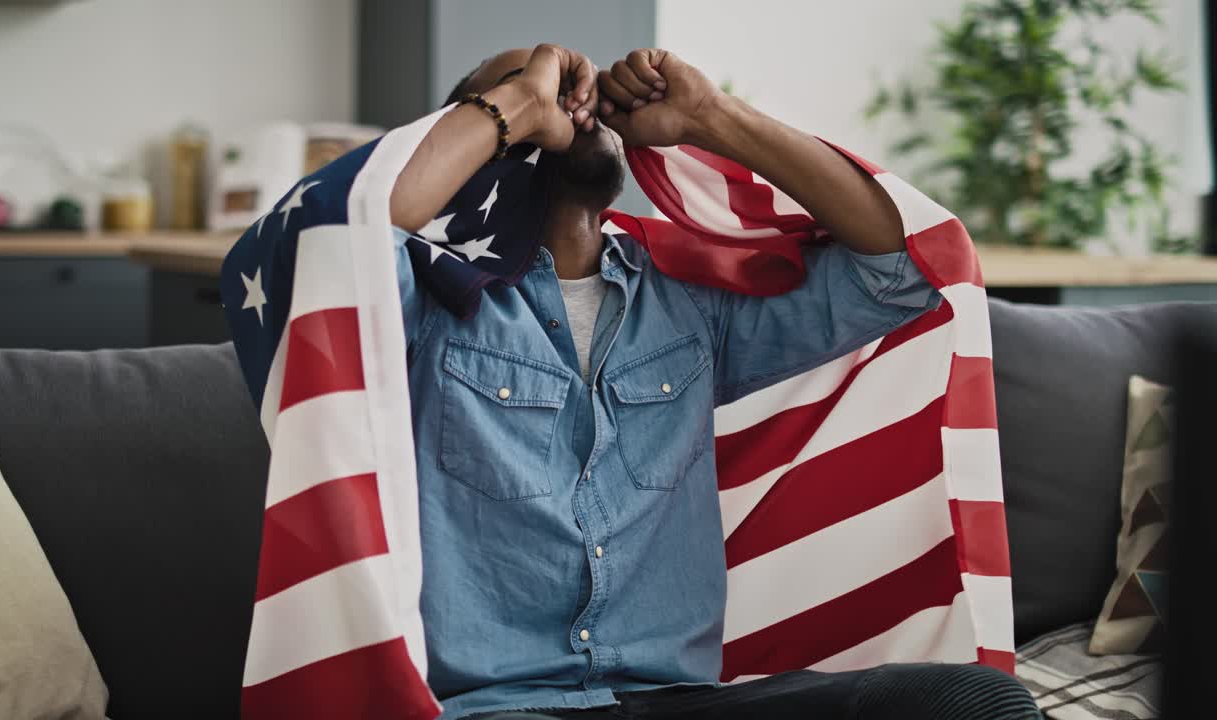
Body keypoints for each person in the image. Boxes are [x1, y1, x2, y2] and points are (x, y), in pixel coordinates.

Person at [387, 44, 1040, 720]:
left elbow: (903, 270)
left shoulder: (690, 301)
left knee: (975, 702)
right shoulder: (421, 298)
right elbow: (333, 239)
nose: (570, 94)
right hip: (489, 709)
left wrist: (709, 115)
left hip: (675, 700)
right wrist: (520, 101)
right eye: (530, 88)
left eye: (570, 88)